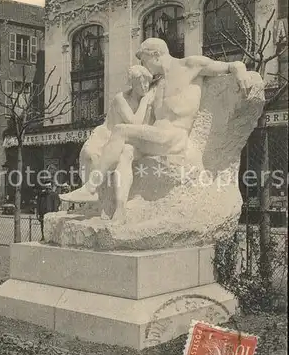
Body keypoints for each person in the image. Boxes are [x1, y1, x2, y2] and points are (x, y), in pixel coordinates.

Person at [60, 38, 251, 221]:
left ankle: (91, 186)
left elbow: (228, 66)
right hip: (156, 138)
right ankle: (120, 211)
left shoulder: (190, 65)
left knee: (120, 130)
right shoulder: (157, 85)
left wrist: (240, 69)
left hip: (175, 136)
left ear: (156, 55)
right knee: (125, 151)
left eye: (144, 60)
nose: (144, 65)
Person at [67, 65, 156, 222]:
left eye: (147, 83)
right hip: (106, 135)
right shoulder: (121, 98)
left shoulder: (148, 100)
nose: (144, 87)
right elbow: (133, 122)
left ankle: (100, 197)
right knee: (90, 155)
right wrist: (145, 102)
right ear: (132, 84)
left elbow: (138, 126)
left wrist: (146, 102)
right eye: (140, 83)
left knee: (119, 157)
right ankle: (93, 196)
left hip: (123, 140)